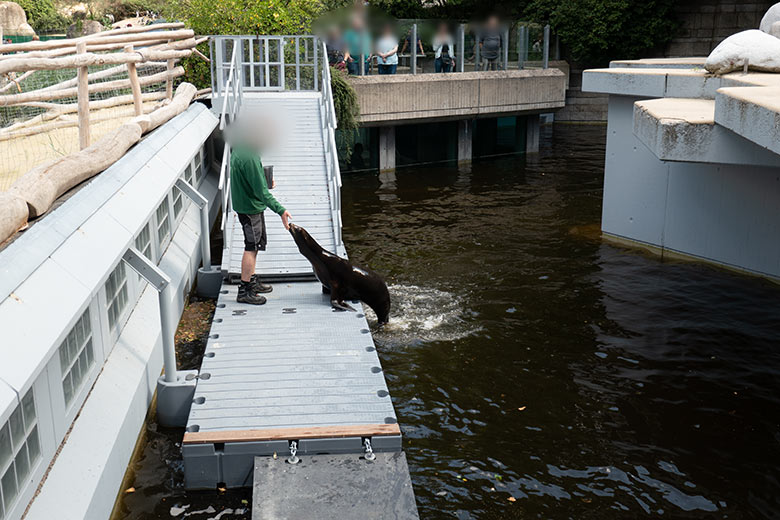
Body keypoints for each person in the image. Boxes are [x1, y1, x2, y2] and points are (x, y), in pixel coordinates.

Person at [227, 113, 292, 305]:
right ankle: (244, 290)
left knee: (255, 245)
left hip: (249, 205)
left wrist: (261, 181)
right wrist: (281, 210)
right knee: (251, 247)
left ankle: (252, 281)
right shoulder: (249, 157)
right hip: (249, 209)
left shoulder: (242, 149)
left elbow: (253, 183)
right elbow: (262, 192)